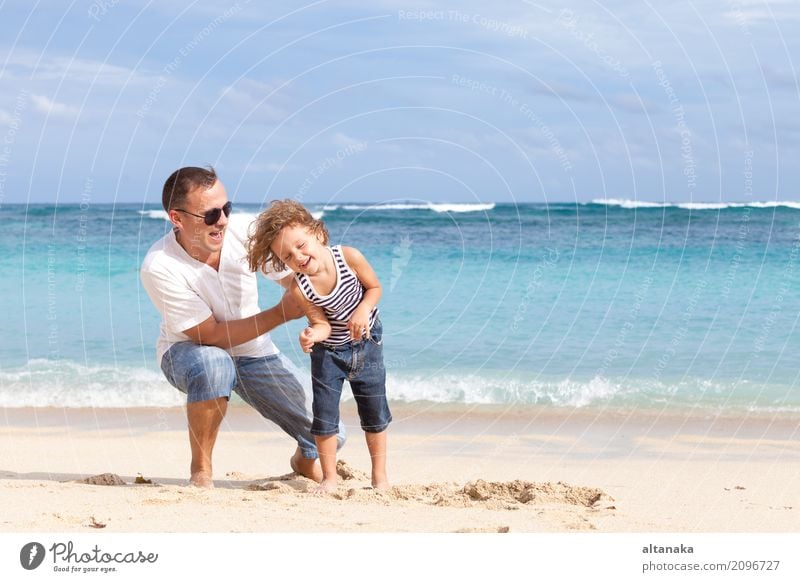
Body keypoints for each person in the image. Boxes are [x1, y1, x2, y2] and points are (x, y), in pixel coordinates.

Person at [140, 167, 343, 488]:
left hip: (254, 352)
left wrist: (328, 315)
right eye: (209, 215)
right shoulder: (159, 265)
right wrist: (280, 315)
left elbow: (297, 278)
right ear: (177, 218)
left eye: (226, 209)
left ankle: (304, 460)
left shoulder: (245, 230)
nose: (222, 220)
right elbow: (210, 335)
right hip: (190, 353)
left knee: (333, 434)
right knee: (214, 363)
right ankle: (201, 470)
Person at [248, 200, 391, 494]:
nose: (298, 256)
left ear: (318, 233)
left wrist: (363, 310)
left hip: (367, 344)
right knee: (324, 415)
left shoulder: (349, 257)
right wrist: (312, 334)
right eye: (287, 256)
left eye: (301, 245)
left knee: (374, 411)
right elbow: (321, 322)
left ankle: (380, 478)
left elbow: (375, 288)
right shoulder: (300, 288)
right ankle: (329, 478)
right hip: (329, 352)